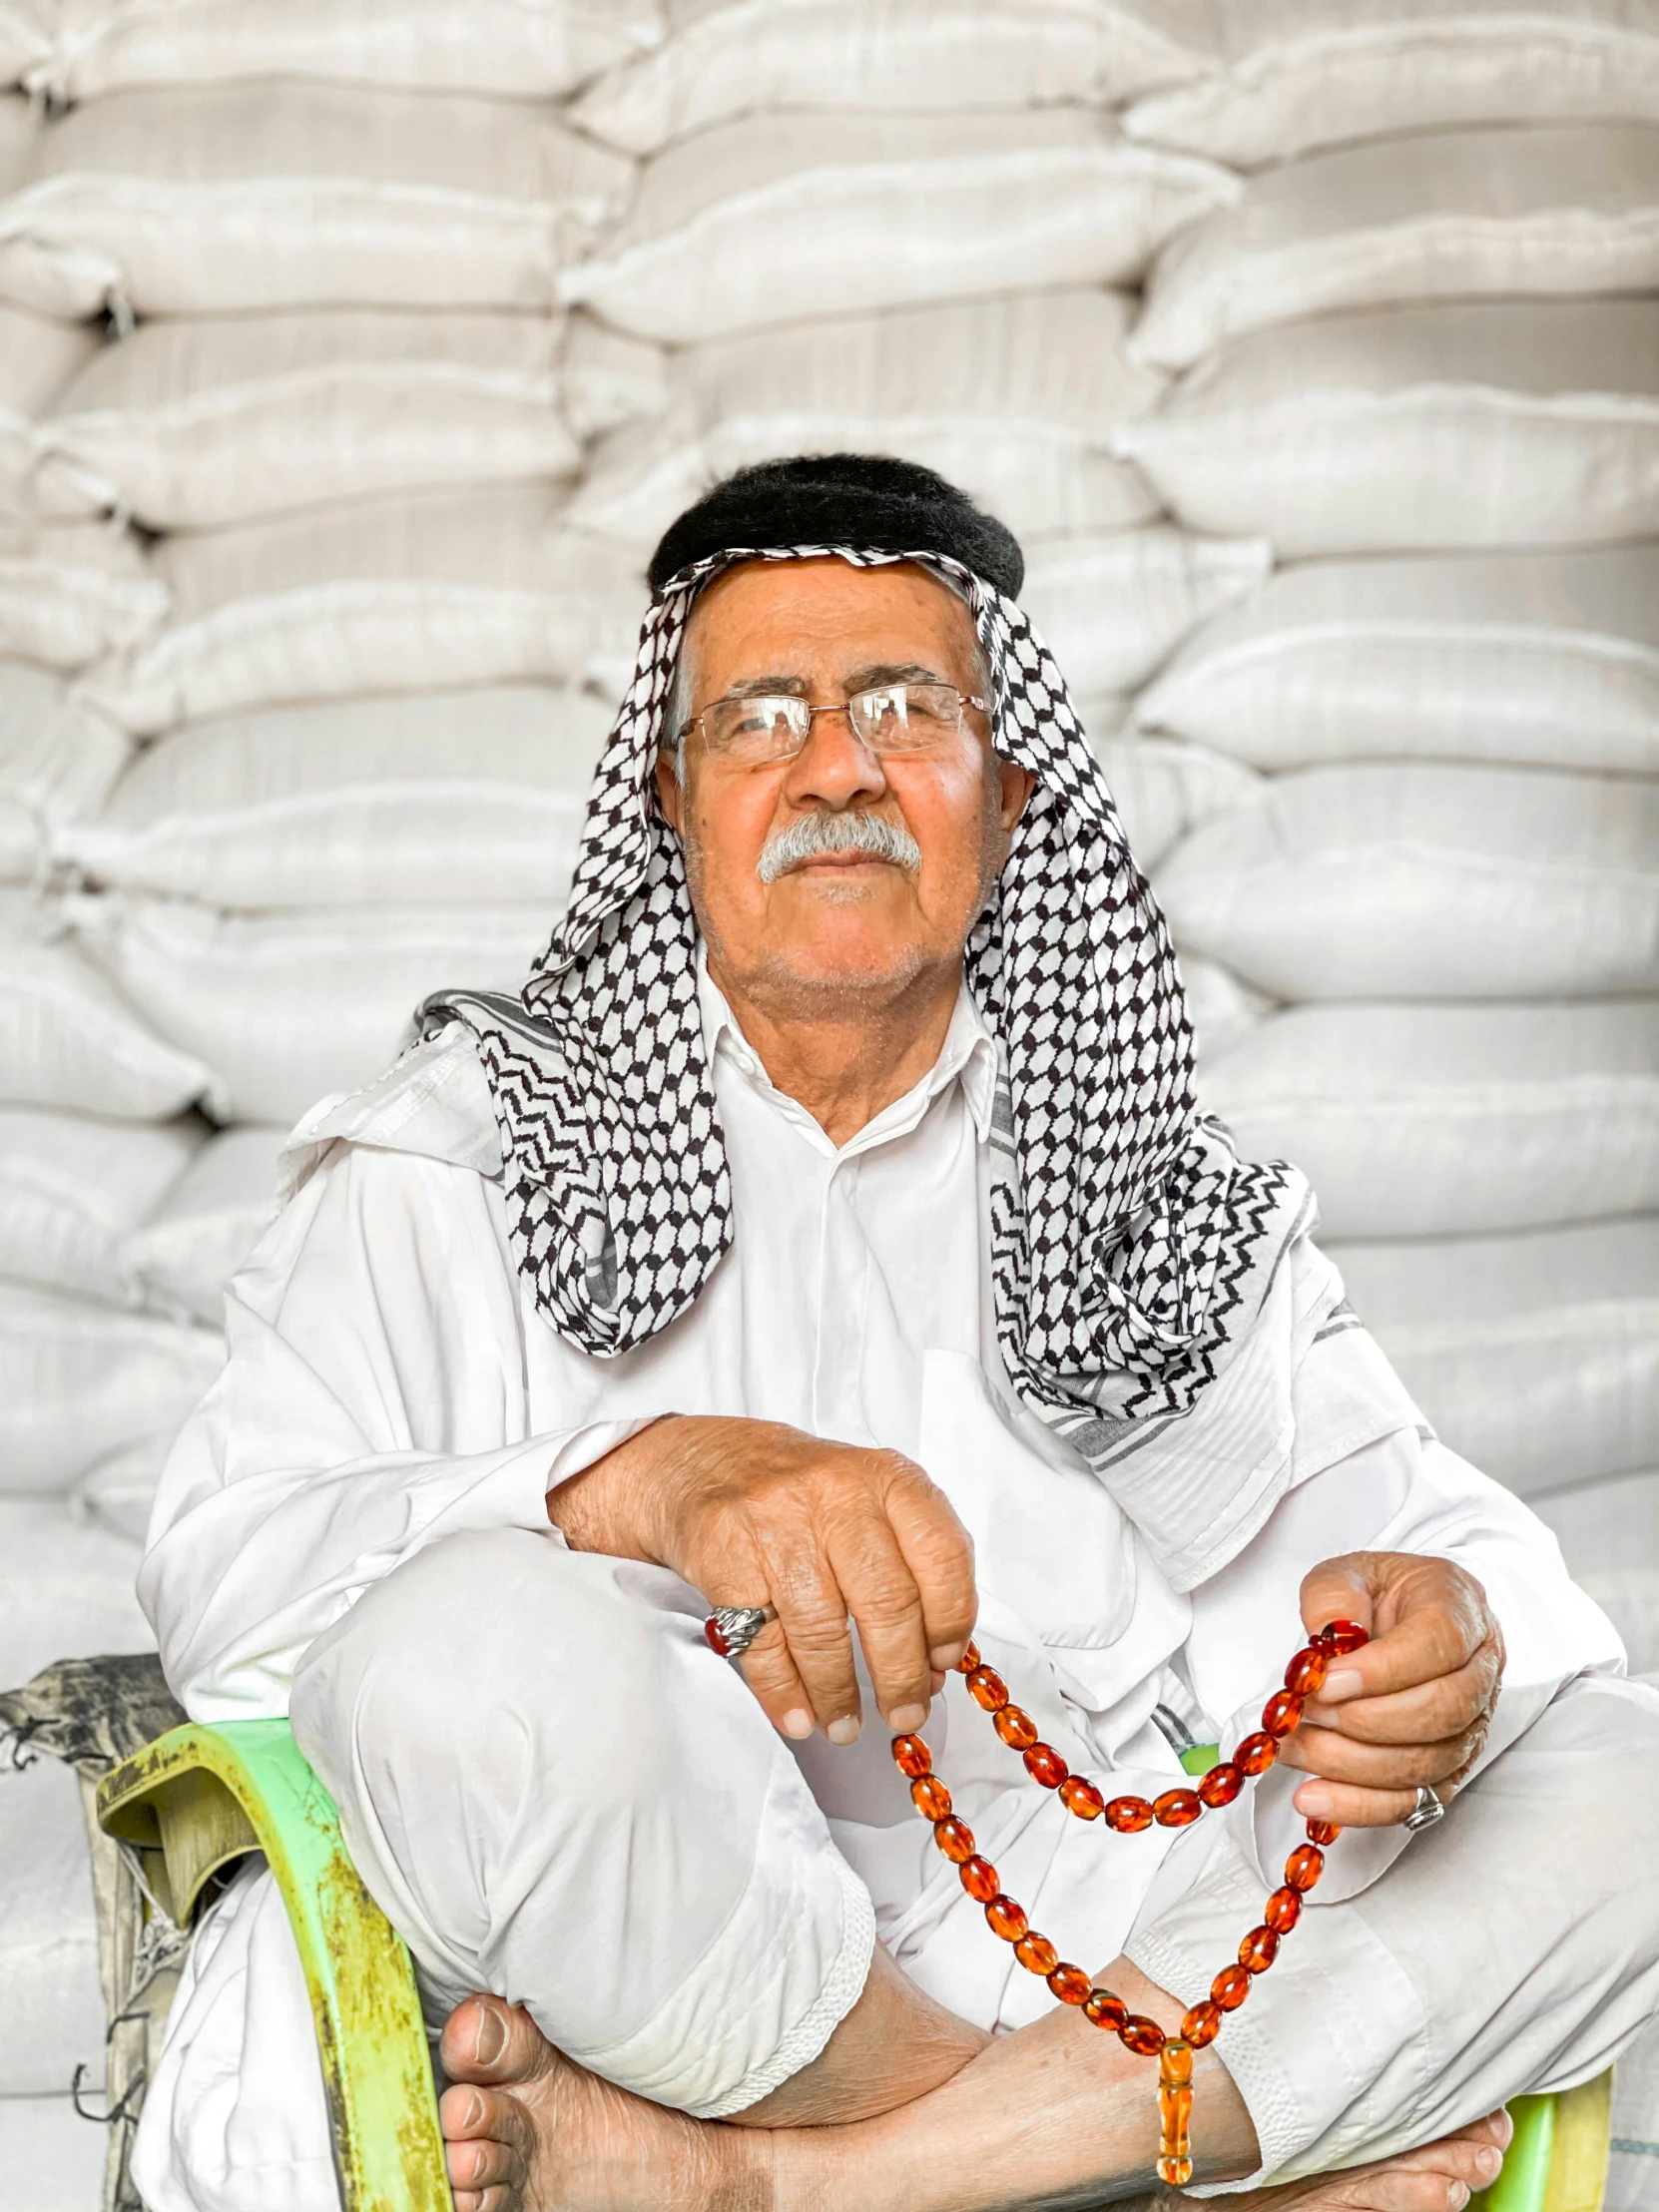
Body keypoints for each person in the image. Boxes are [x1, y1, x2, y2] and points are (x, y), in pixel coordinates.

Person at [132, 457, 1659, 2212]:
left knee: (1620, 1778)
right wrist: (642, 1485)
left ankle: (811, 2189)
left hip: (1112, 1959)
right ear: (674, 798)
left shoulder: (1151, 1190)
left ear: (1008, 797)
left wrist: (1443, 1649)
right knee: (468, 1657)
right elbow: (229, 1588)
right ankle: (1114, 2166)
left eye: (904, 709)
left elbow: (1478, 1586)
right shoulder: (459, 1156)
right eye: (760, 718)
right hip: (681, 1982)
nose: (837, 768)